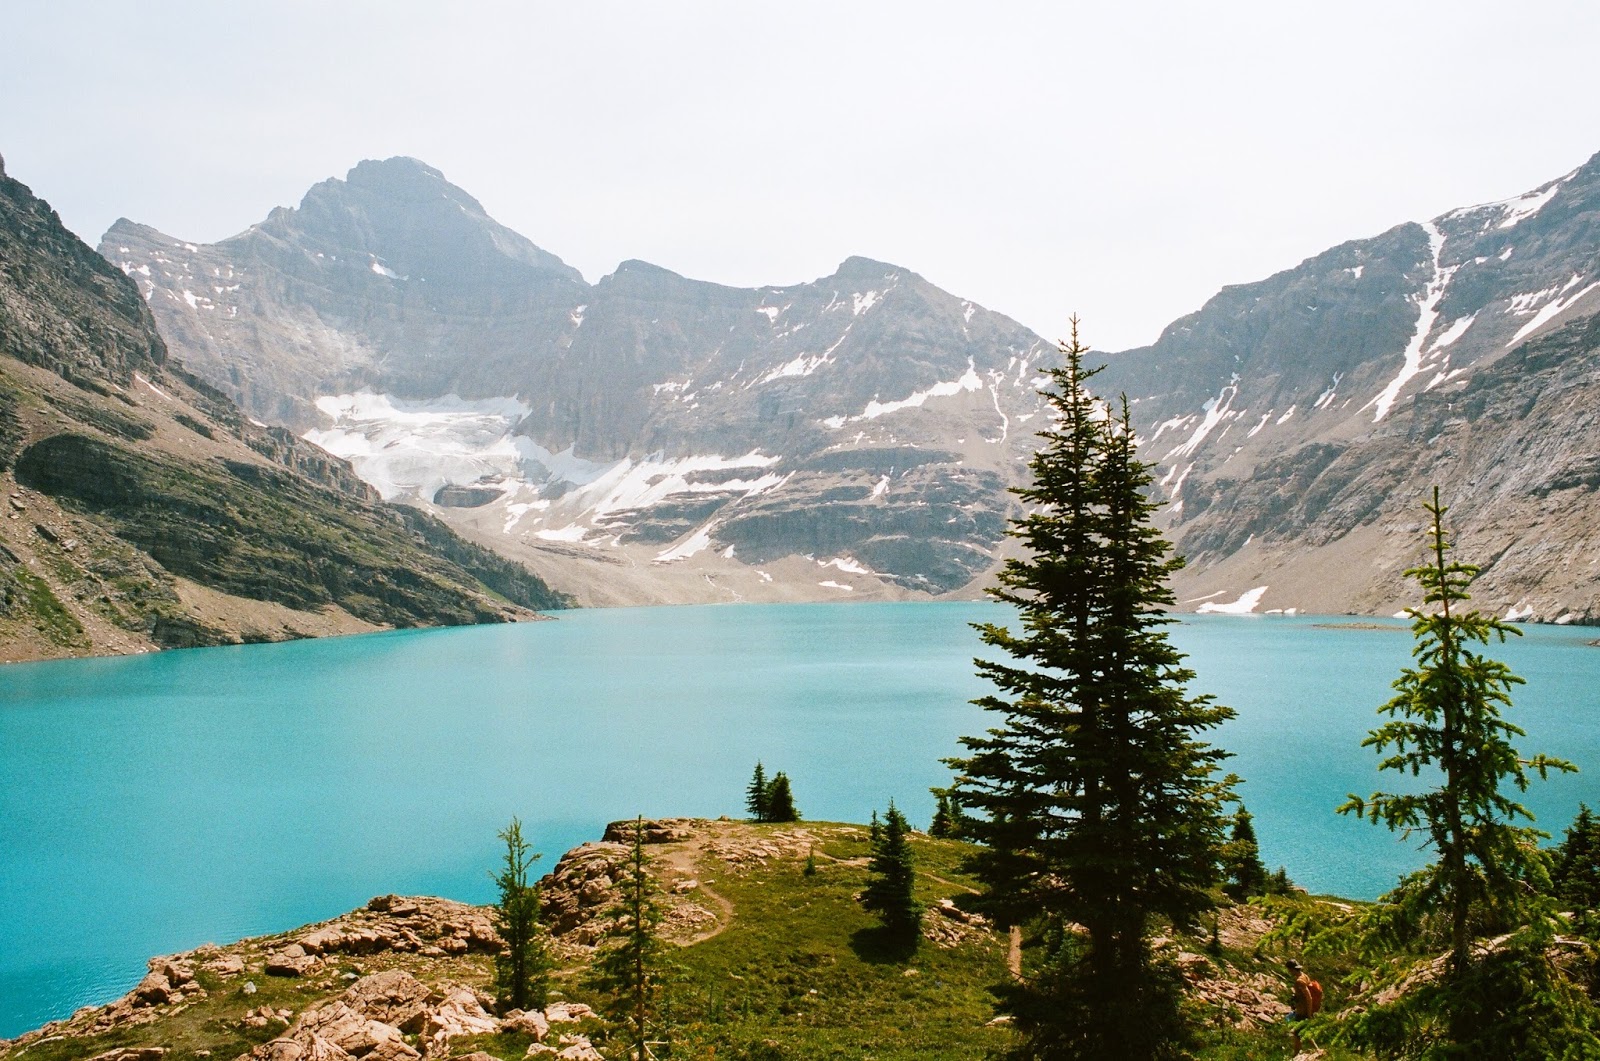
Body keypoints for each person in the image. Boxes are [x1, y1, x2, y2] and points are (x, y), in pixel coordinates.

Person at [1286, 958, 1315, 1052]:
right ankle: (1316, 1049)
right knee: (1303, 1031)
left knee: (1297, 1032)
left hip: (1303, 1010)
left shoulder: (1300, 981)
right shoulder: (1304, 976)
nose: (1289, 972)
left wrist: (1309, 1013)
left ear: (1292, 969)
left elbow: (1309, 997)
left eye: (1289, 970)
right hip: (1301, 1009)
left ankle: (1296, 1054)